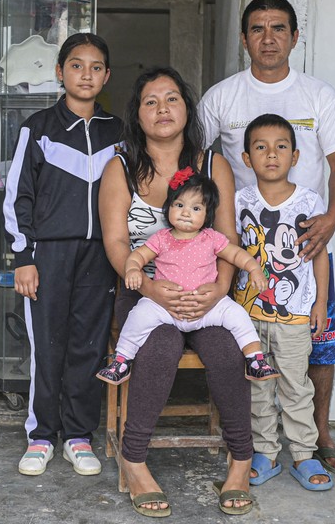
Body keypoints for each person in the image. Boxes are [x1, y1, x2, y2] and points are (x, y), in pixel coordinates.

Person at [198, 0, 335, 477]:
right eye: (257, 29)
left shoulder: (318, 95)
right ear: (243, 38)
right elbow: (195, 161)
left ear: (294, 36)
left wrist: (331, 219)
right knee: (252, 352)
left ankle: (318, 438)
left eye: (278, 29)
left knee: (318, 344)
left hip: (308, 247)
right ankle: (257, 444)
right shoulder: (222, 97)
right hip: (242, 250)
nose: (268, 38)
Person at [99, 66, 256, 517]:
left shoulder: (213, 165)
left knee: (225, 349)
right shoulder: (120, 167)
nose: (162, 108)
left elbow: (227, 240)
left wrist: (219, 289)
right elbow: (116, 243)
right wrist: (151, 288)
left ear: (187, 109)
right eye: (150, 101)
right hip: (143, 293)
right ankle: (134, 459)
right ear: (137, 114)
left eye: (172, 98)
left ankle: (241, 461)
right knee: (162, 344)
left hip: (207, 292)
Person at [4, 33, 123, 478]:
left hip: (101, 255)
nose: (86, 75)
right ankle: (41, 435)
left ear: (106, 76)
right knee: (47, 345)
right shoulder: (38, 127)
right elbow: (19, 195)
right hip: (48, 254)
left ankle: (77, 435)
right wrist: (24, 256)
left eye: (96, 67)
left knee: (88, 345)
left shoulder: (118, 131)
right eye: (76, 65)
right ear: (60, 72)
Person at [96, 169, 277, 385]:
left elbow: (236, 254)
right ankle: (121, 361)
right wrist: (133, 269)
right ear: (169, 207)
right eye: (179, 205)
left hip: (206, 309)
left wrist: (254, 269)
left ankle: (255, 359)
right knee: (139, 314)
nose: (185, 213)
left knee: (237, 314)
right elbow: (138, 256)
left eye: (196, 208)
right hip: (166, 308)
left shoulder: (212, 238)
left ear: (207, 214)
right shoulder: (162, 238)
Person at [234, 113, 333, 490]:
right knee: (257, 387)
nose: (271, 154)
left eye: (281, 147)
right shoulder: (240, 201)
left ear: (295, 156)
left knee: (296, 386)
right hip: (248, 315)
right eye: (261, 147)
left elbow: (319, 254)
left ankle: (304, 454)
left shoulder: (309, 201)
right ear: (247, 158)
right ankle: (266, 453)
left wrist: (320, 303)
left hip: (295, 315)